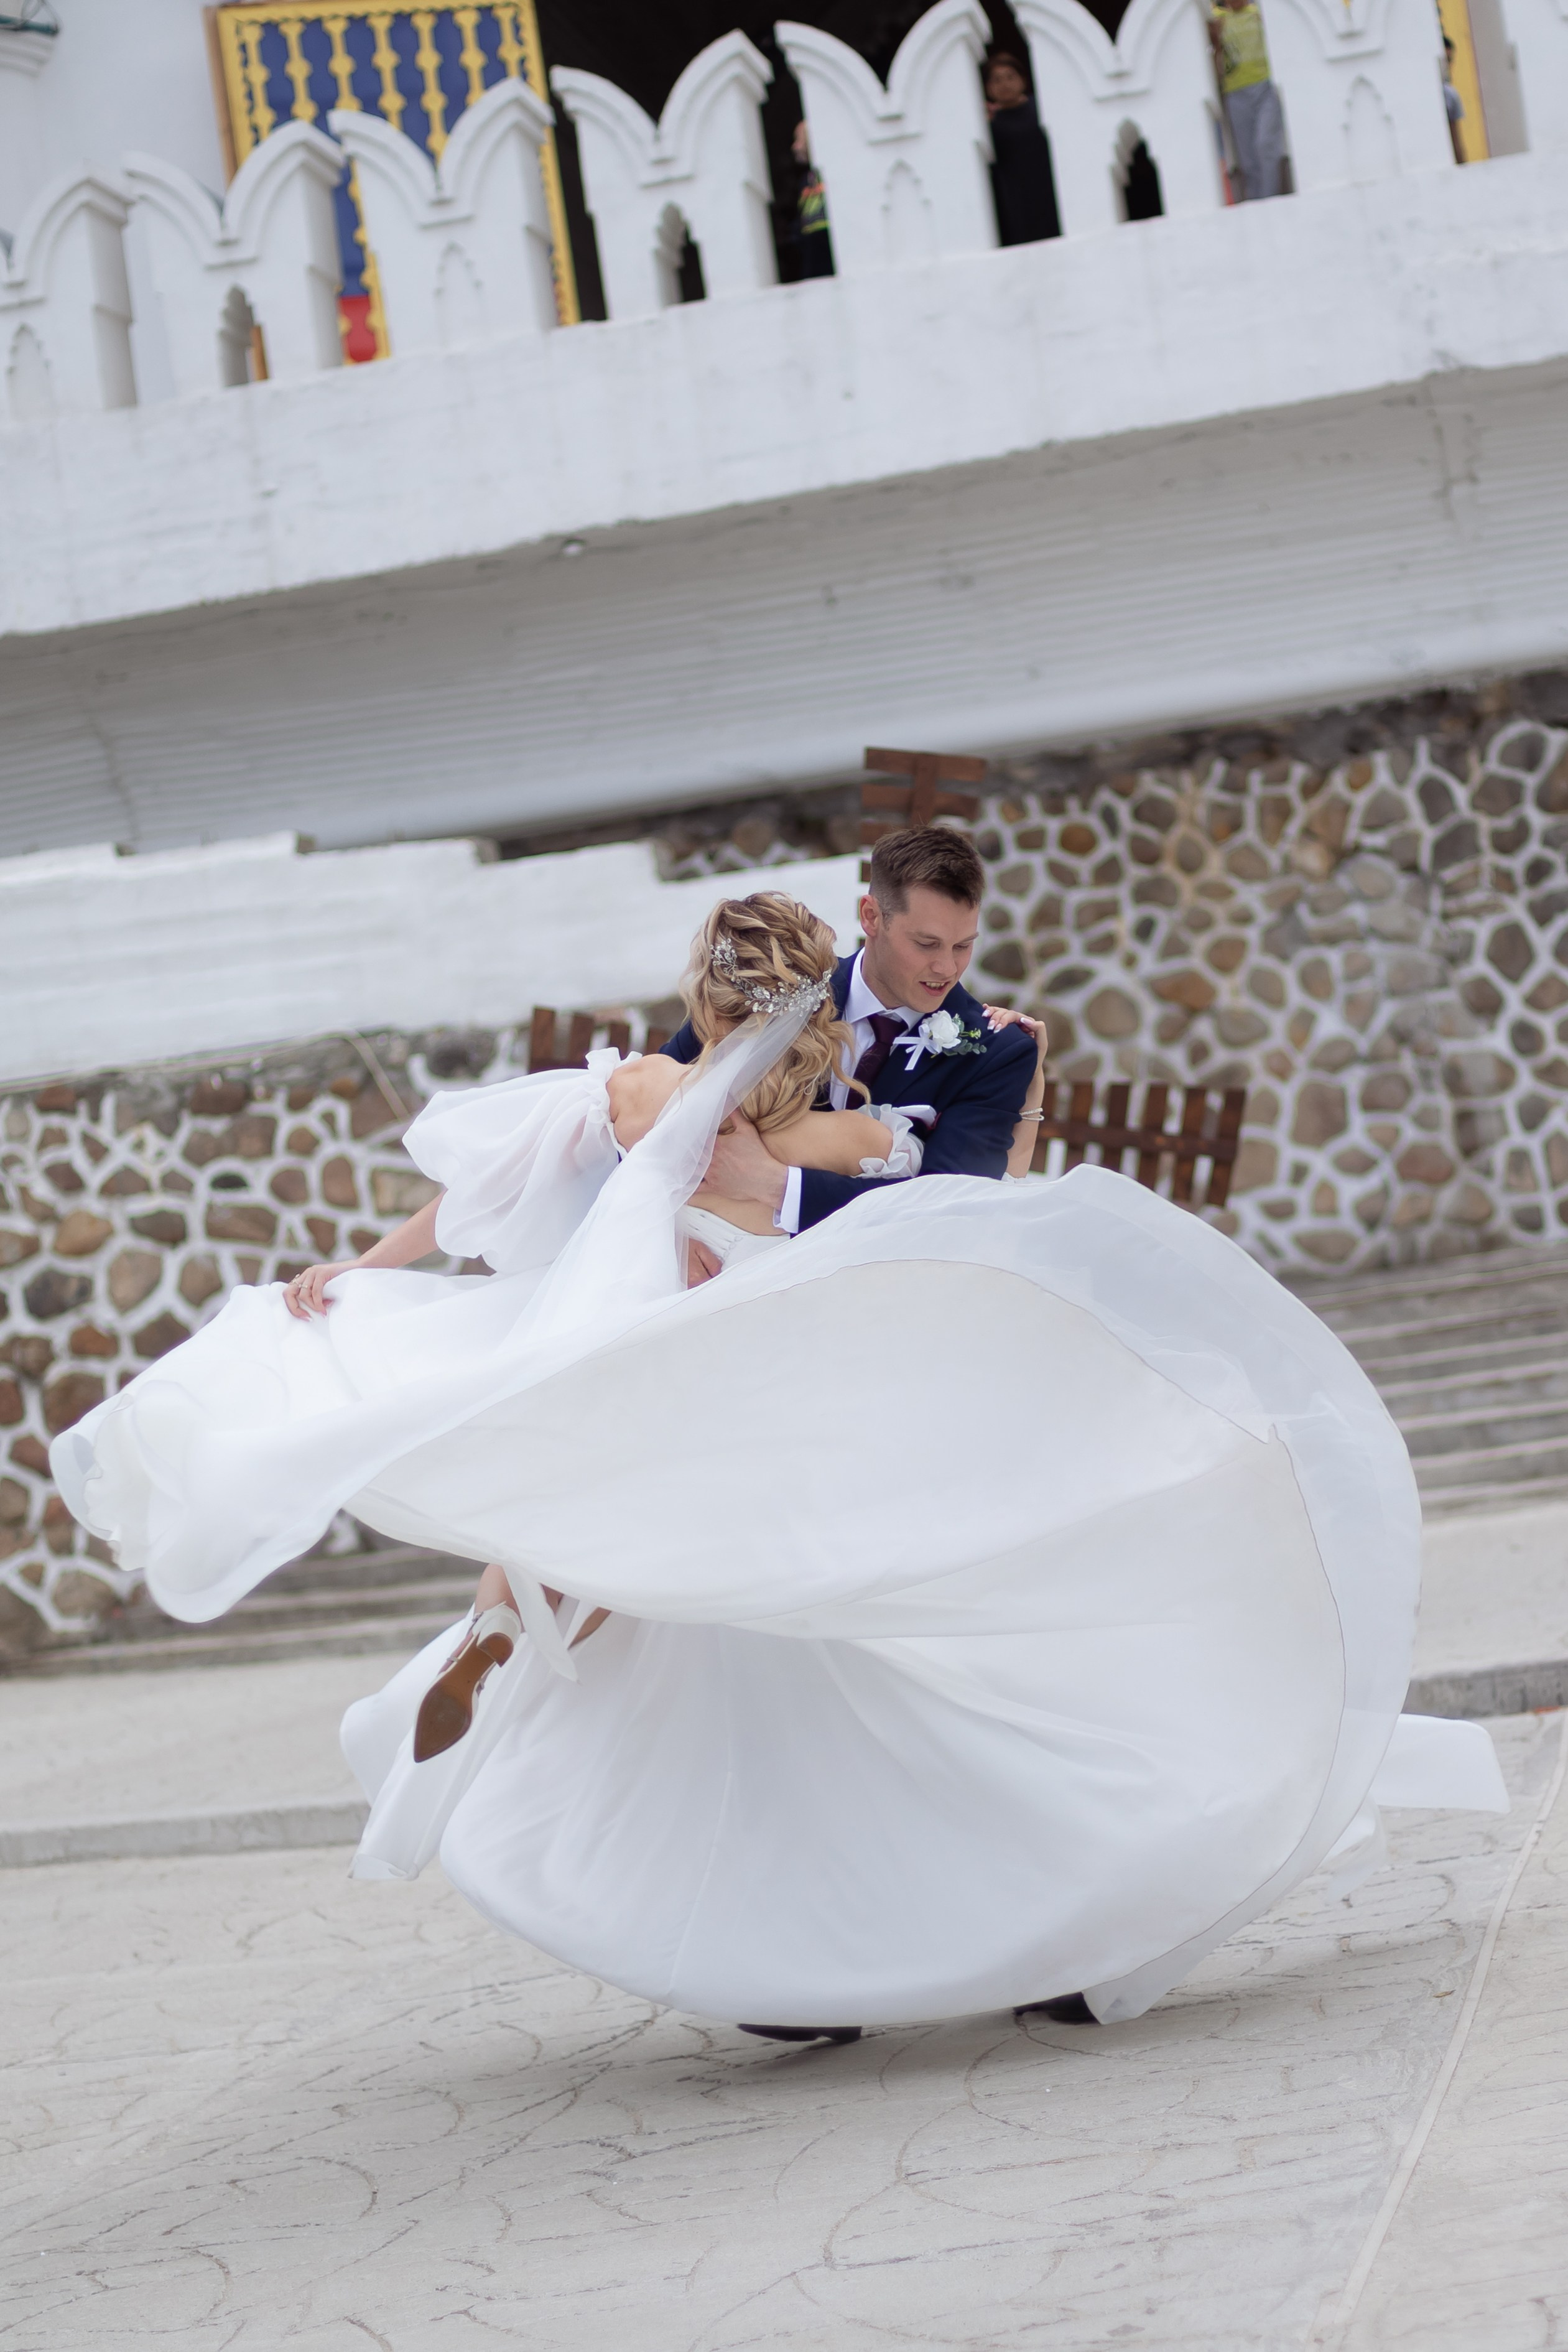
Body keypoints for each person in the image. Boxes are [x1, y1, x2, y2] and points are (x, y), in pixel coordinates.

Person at [49, 888, 1507, 2042]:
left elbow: (463, 1200)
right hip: (743, 1417)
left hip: (612, 1382)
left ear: (702, 991)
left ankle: (542, 1619)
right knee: (825, 1664)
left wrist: (349, 1270)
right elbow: (957, 1196)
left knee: (687, 1641)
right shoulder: (821, 1126)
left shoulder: (626, 1094)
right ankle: (963, 1912)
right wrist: (1019, 1067)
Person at [664, 825, 1038, 1258]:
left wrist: (776, 1183)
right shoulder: (778, 988)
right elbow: (648, 1114)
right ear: (871, 916)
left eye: (963, 946)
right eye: (926, 943)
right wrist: (676, 1239)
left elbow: (944, 1214)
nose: (946, 966)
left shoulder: (996, 1053)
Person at [1209, 0, 1287, 202]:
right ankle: (1256, 203)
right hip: (1235, 94)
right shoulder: (1220, 20)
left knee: (1266, 144)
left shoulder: (1259, 14)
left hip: (1264, 89)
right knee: (1248, 159)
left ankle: (1270, 199)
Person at [983, 49, 1061, 246]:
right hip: (1015, 200)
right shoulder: (987, 125)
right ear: (988, 88)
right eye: (997, 80)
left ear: (1023, 80)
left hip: (1050, 189)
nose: (1004, 85)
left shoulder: (1044, 108)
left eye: (1010, 77)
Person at [789, 119, 833, 279]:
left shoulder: (831, 173)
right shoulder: (805, 180)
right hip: (812, 251)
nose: (795, 147)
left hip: (830, 247)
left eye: (798, 140)